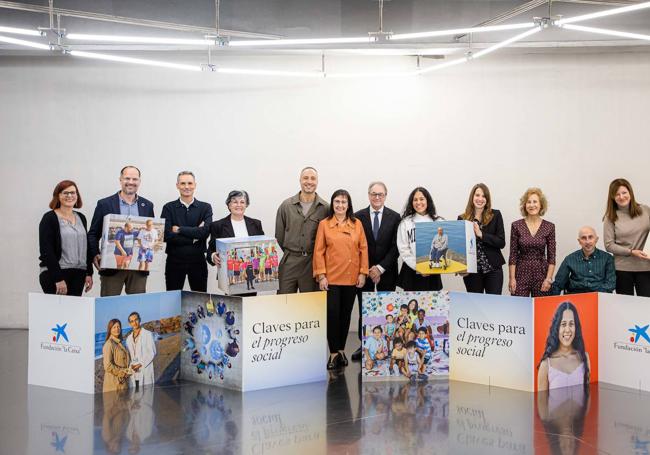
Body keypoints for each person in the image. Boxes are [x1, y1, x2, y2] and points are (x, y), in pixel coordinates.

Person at [313, 189, 369, 370]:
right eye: (337, 202)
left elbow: (364, 249)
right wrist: (321, 275)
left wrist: (363, 273)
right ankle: (333, 354)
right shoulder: (324, 224)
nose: (340, 205)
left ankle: (342, 350)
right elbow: (318, 251)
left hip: (352, 278)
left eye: (344, 202)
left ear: (348, 205)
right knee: (332, 316)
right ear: (332, 204)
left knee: (345, 316)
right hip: (331, 278)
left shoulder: (357, 224)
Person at [352, 181, 400, 361]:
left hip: (387, 272)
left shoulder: (395, 217)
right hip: (363, 272)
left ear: (385, 195)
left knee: (386, 310)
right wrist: (366, 269)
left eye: (380, 194)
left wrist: (380, 268)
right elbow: (355, 246)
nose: (377, 197)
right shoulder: (357, 217)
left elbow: (396, 247)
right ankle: (362, 344)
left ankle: (387, 346)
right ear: (368, 195)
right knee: (365, 309)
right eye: (373, 194)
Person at [88, 166, 155, 296]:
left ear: (139, 181)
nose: (131, 182)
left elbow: (148, 234)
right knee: (109, 307)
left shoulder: (147, 205)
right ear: (120, 180)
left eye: (134, 179)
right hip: (113, 266)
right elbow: (93, 234)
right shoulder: (105, 204)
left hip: (137, 267)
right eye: (127, 178)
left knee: (137, 306)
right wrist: (95, 253)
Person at [275, 167, 329, 294]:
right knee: (284, 302)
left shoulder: (325, 208)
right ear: (300, 180)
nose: (309, 181)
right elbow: (279, 235)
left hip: (312, 264)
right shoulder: (286, 206)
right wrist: (293, 251)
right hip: (289, 261)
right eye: (305, 178)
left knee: (310, 305)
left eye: (313, 178)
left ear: (317, 182)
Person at [39, 180, 94, 296]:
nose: (70, 196)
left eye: (73, 193)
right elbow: (46, 250)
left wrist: (89, 273)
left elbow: (86, 247)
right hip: (56, 274)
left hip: (79, 274)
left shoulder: (81, 218)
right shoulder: (49, 218)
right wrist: (57, 278)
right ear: (58, 196)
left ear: (77, 196)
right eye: (65, 193)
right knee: (57, 313)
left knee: (72, 313)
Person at [162, 171, 213, 292]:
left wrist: (179, 229)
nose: (186, 187)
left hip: (198, 261)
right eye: (183, 183)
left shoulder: (205, 207)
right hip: (174, 261)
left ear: (195, 185)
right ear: (177, 185)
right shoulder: (168, 208)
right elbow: (167, 235)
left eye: (190, 183)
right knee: (172, 300)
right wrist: (195, 237)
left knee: (200, 298)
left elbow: (205, 233)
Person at [206, 190, 263, 295]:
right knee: (234, 305)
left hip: (251, 271)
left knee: (250, 305)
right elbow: (210, 250)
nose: (238, 205)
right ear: (229, 204)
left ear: (246, 205)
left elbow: (261, 248)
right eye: (235, 202)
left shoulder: (256, 224)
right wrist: (213, 256)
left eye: (242, 202)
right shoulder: (217, 226)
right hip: (230, 275)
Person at [603, 178, 650, 296]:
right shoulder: (610, 217)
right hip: (622, 269)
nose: (621, 197)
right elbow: (609, 245)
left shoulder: (645, 210)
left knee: (646, 307)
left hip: (646, 267)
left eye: (624, 192)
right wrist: (631, 252)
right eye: (617, 194)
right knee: (625, 307)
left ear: (630, 193)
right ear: (612, 197)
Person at [458, 183, 506, 294]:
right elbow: (460, 247)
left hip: (493, 270)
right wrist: (460, 267)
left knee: (494, 305)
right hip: (472, 271)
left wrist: (481, 235)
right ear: (472, 197)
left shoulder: (495, 215)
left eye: (483, 196)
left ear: (487, 199)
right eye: (477, 195)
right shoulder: (462, 218)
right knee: (476, 305)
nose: (480, 199)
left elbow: (501, 242)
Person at [509, 188, 556, 297]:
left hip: (541, 272)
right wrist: (512, 278)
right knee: (519, 308)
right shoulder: (516, 226)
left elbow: (552, 256)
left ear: (541, 205)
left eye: (535, 201)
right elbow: (513, 255)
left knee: (541, 309)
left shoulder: (549, 227)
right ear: (525, 205)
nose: (532, 205)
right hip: (521, 272)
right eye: (528, 202)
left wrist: (548, 279)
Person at [396, 187, 443, 291]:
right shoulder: (405, 223)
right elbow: (404, 250)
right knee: (411, 306)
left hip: (433, 271)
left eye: (421, 199)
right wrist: (419, 267)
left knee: (432, 306)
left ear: (427, 200)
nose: (418, 202)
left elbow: (444, 246)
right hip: (411, 272)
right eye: (415, 199)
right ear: (411, 202)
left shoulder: (439, 222)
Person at [537, 301, 591, 391]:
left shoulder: (585, 358)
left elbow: (587, 398)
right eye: (563, 324)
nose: (567, 330)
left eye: (571, 324)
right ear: (557, 328)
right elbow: (542, 404)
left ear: (576, 327)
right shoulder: (546, 365)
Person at [552, 226, 616, 295]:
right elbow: (558, 284)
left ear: (596, 239)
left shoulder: (607, 258)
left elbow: (610, 284)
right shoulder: (570, 259)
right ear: (579, 241)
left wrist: (593, 297)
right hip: (576, 298)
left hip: (599, 298)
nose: (587, 241)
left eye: (590, 237)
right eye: (583, 238)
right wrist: (552, 303)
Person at [125, 312, 156, 390]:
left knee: (146, 397)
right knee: (135, 395)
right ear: (129, 324)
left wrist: (140, 364)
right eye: (132, 321)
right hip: (134, 370)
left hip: (144, 368)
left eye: (136, 320)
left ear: (140, 320)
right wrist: (130, 367)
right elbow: (129, 356)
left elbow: (152, 352)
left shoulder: (147, 334)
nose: (134, 323)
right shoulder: (128, 339)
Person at [102, 319, 132, 393]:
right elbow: (107, 366)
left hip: (122, 382)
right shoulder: (109, 344)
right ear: (110, 329)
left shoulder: (119, 343)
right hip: (114, 384)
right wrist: (123, 373)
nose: (117, 329)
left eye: (118, 327)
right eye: (114, 327)